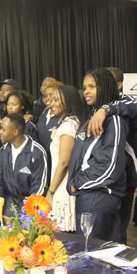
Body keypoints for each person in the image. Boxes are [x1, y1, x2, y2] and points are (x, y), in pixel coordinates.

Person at [67, 68, 128, 242]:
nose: (86, 91)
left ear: (106, 87)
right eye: (84, 87)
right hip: (89, 194)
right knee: (100, 252)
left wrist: (77, 184)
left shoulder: (112, 120)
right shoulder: (92, 117)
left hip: (98, 194)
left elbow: (110, 164)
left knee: (91, 253)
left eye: (92, 86)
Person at [45, 85, 88, 231]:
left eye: (57, 100)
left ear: (68, 101)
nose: (52, 104)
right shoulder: (66, 122)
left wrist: (50, 192)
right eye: (52, 100)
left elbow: (63, 163)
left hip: (63, 186)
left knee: (63, 235)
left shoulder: (68, 126)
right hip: (60, 183)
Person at [0, 113, 47, 217]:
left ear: (15, 132)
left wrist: (28, 216)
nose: (0, 132)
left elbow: (39, 187)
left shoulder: (36, 152)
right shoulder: (3, 151)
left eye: (3, 129)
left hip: (29, 207)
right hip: (8, 205)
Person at [35, 81, 63, 182]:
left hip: (55, 162)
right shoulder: (45, 112)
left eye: (51, 95)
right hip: (42, 161)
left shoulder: (64, 117)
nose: (48, 98)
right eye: (46, 95)